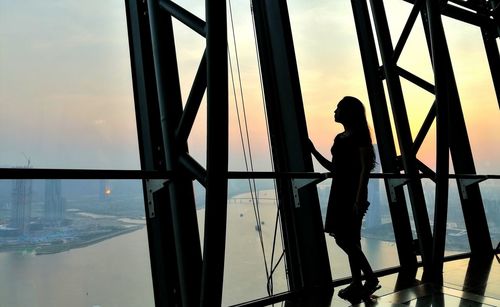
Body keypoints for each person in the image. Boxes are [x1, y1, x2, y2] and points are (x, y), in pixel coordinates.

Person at [310, 96, 380, 299]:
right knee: (350, 239)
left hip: (351, 193)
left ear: (348, 112)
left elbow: (365, 169)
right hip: (340, 192)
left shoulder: (359, 136)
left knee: (343, 238)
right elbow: (335, 169)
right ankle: (358, 283)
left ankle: (369, 277)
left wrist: (359, 197)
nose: (335, 111)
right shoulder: (340, 138)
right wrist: (313, 151)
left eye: (338, 107)